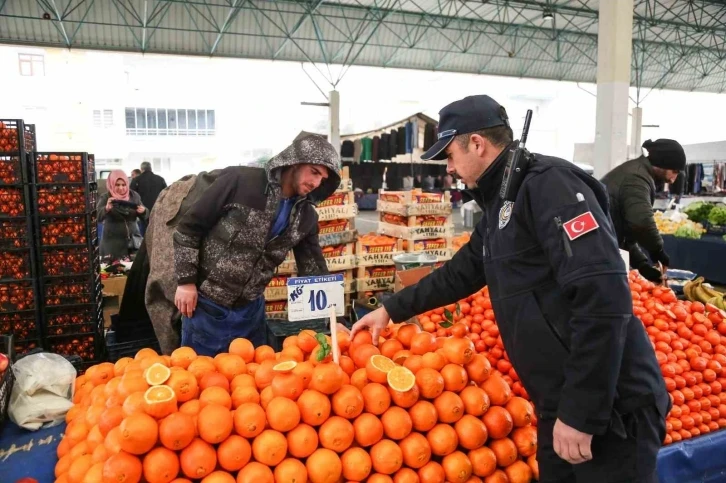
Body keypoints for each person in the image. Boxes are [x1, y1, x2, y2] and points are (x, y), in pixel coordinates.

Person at [351, 95, 669, 483]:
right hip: (559, 401)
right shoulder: (504, 201)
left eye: (449, 155)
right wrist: (390, 310)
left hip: (610, 407)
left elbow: (603, 300)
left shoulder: (550, 186)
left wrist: (581, 412)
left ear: (477, 144)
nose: (448, 169)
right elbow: (460, 273)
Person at [172, 132, 341, 355]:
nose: (316, 182)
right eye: (314, 172)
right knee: (202, 379)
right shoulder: (240, 181)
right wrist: (186, 282)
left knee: (252, 382)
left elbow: (313, 269)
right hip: (206, 305)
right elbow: (188, 228)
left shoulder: (306, 217)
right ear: (293, 162)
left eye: (323, 179)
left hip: (251, 312)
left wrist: (332, 319)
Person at [601, 139, 686, 283]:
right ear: (662, 163)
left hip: (602, 244)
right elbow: (641, 223)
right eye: (674, 172)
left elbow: (624, 231)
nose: (673, 180)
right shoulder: (636, 178)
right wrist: (657, 251)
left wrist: (642, 265)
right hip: (598, 250)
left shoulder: (637, 172)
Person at [97, 170, 147, 260]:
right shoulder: (106, 197)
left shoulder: (134, 196)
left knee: (133, 272)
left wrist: (143, 211)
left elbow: (146, 216)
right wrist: (106, 208)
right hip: (112, 246)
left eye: (123, 185)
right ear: (111, 184)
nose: (121, 188)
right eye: (117, 185)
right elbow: (97, 217)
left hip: (133, 244)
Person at [130, 162, 168, 235]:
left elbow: (131, 196)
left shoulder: (136, 180)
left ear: (141, 169)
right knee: (156, 234)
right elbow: (166, 195)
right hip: (157, 212)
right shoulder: (160, 179)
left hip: (141, 212)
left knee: (143, 235)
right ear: (151, 168)